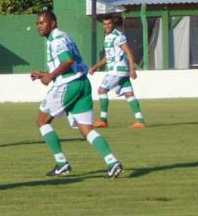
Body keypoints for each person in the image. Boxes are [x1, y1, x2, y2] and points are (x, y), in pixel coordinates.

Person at [32, 10, 123, 179]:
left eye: (42, 23)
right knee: (86, 129)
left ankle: (62, 163)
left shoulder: (56, 40)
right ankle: (112, 162)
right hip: (82, 83)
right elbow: (69, 64)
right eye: (37, 23)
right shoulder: (64, 37)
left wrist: (50, 76)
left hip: (69, 85)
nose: (39, 26)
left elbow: (68, 61)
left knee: (42, 120)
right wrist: (45, 73)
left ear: (52, 23)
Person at [88, 14, 146, 128]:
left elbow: (128, 52)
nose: (107, 26)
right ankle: (140, 120)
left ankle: (103, 120)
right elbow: (108, 57)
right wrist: (96, 66)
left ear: (113, 24)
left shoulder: (118, 36)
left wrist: (133, 69)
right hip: (120, 71)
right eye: (105, 24)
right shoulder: (107, 37)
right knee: (129, 94)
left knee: (101, 90)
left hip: (117, 70)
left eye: (109, 24)